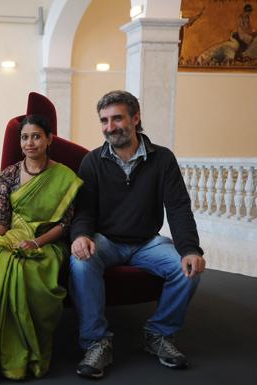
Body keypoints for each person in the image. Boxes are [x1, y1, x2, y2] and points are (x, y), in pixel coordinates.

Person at [69, 90, 206, 379]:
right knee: (80, 263)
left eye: (117, 118)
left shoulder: (163, 159)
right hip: (105, 240)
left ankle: (157, 334)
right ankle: (96, 342)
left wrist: (191, 248)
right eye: (104, 120)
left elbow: (179, 208)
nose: (110, 127)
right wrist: (81, 235)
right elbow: (83, 211)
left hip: (147, 242)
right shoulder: (92, 162)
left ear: (136, 117)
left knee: (188, 269)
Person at [0, 115, 82, 381]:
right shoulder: (9, 175)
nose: (29, 143)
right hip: (11, 235)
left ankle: (23, 357)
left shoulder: (65, 177)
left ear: (49, 139)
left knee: (27, 276)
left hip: (48, 242)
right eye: (25, 137)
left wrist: (36, 242)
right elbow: (0, 220)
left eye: (36, 136)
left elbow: (64, 225)